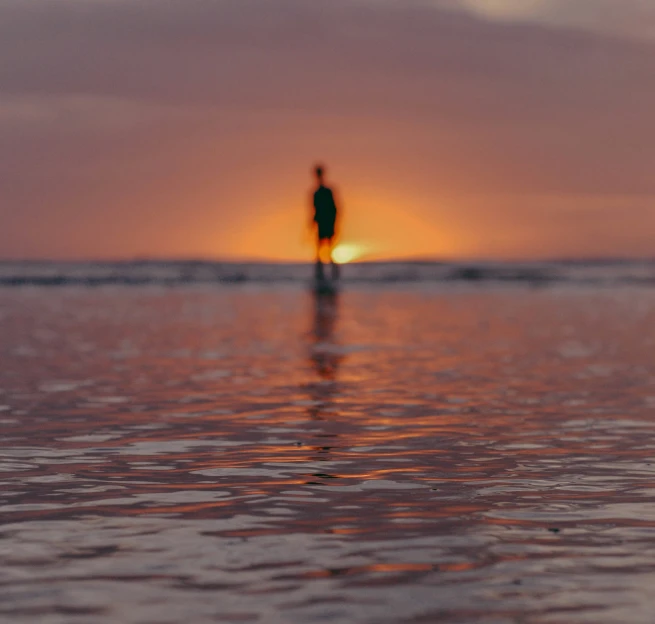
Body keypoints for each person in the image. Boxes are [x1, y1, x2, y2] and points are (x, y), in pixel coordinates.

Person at [310, 164, 340, 282]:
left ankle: (332, 275)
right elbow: (315, 211)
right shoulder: (316, 193)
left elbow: (334, 209)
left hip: (326, 224)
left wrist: (333, 224)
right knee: (320, 250)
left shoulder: (325, 192)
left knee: (328, 249)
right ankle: (321, 275)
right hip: (322, 224)